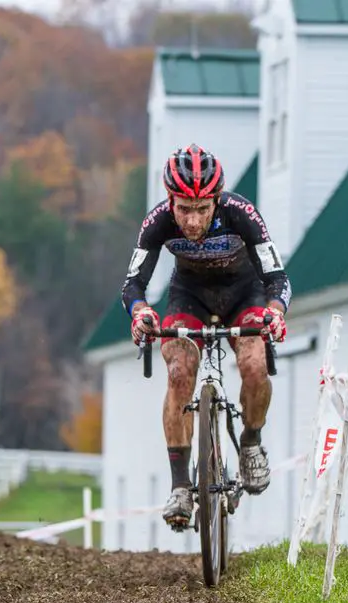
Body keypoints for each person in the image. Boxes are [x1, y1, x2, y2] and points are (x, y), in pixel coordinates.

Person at [121, 143, 291, 531]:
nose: (193, 221)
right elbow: (133, 283)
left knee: (253, 362)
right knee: (179, 371)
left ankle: (250, 442)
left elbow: (277, 278)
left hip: (244, 295)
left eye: (202, 209)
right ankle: (181, 485)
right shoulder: (157, 222)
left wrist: (276, 312)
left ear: (217, 199)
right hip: (190, 298)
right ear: (170, 200)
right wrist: (141, 312)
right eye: (184, 208)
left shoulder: (242, 214)